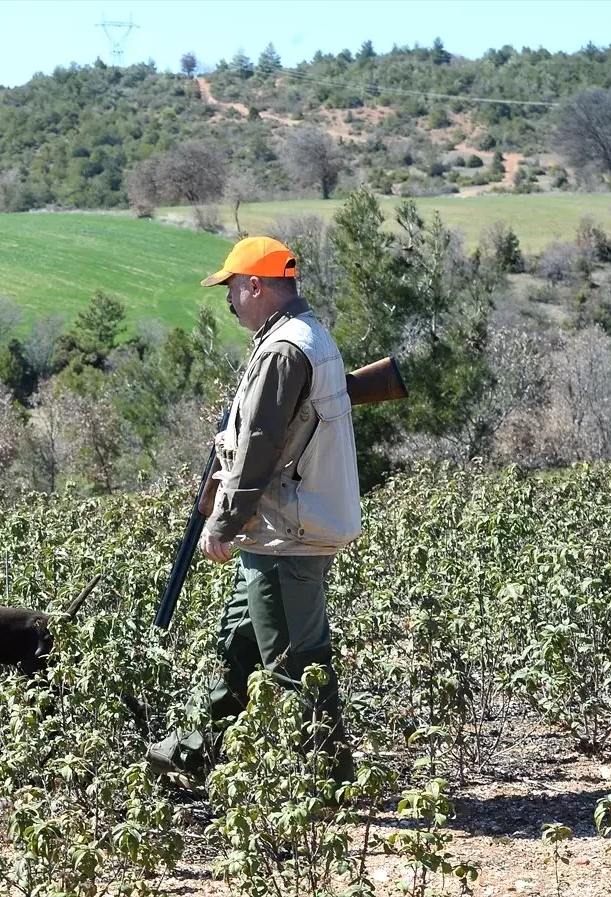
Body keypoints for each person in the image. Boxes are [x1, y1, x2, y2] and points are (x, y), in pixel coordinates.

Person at [146, 236, 360, 785]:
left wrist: (224, 520)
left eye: (232, 289)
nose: (229, 301)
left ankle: (325, 786)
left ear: (256, 285)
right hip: (279, 530)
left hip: (286, 533)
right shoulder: (305, 337)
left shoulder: (285, 349)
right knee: (237, 647)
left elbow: (260, 444)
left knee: (295, 664)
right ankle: (185, 758)